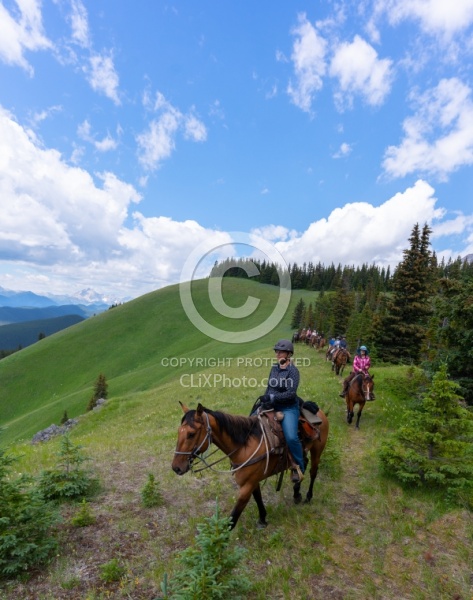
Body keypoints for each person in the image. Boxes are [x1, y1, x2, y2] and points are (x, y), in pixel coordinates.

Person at [254, 339, 312, 483]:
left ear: (288, 354)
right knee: (251, 421)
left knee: (291, 437)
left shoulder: (293, 371)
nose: (277, 354)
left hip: (288, 407)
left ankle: (299, 466)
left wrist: (273, 397)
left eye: (280, 352)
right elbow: (270, 387)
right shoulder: (274, 368)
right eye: (277, 352)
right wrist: (265, 399)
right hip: (272, 405)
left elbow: (291, 393)